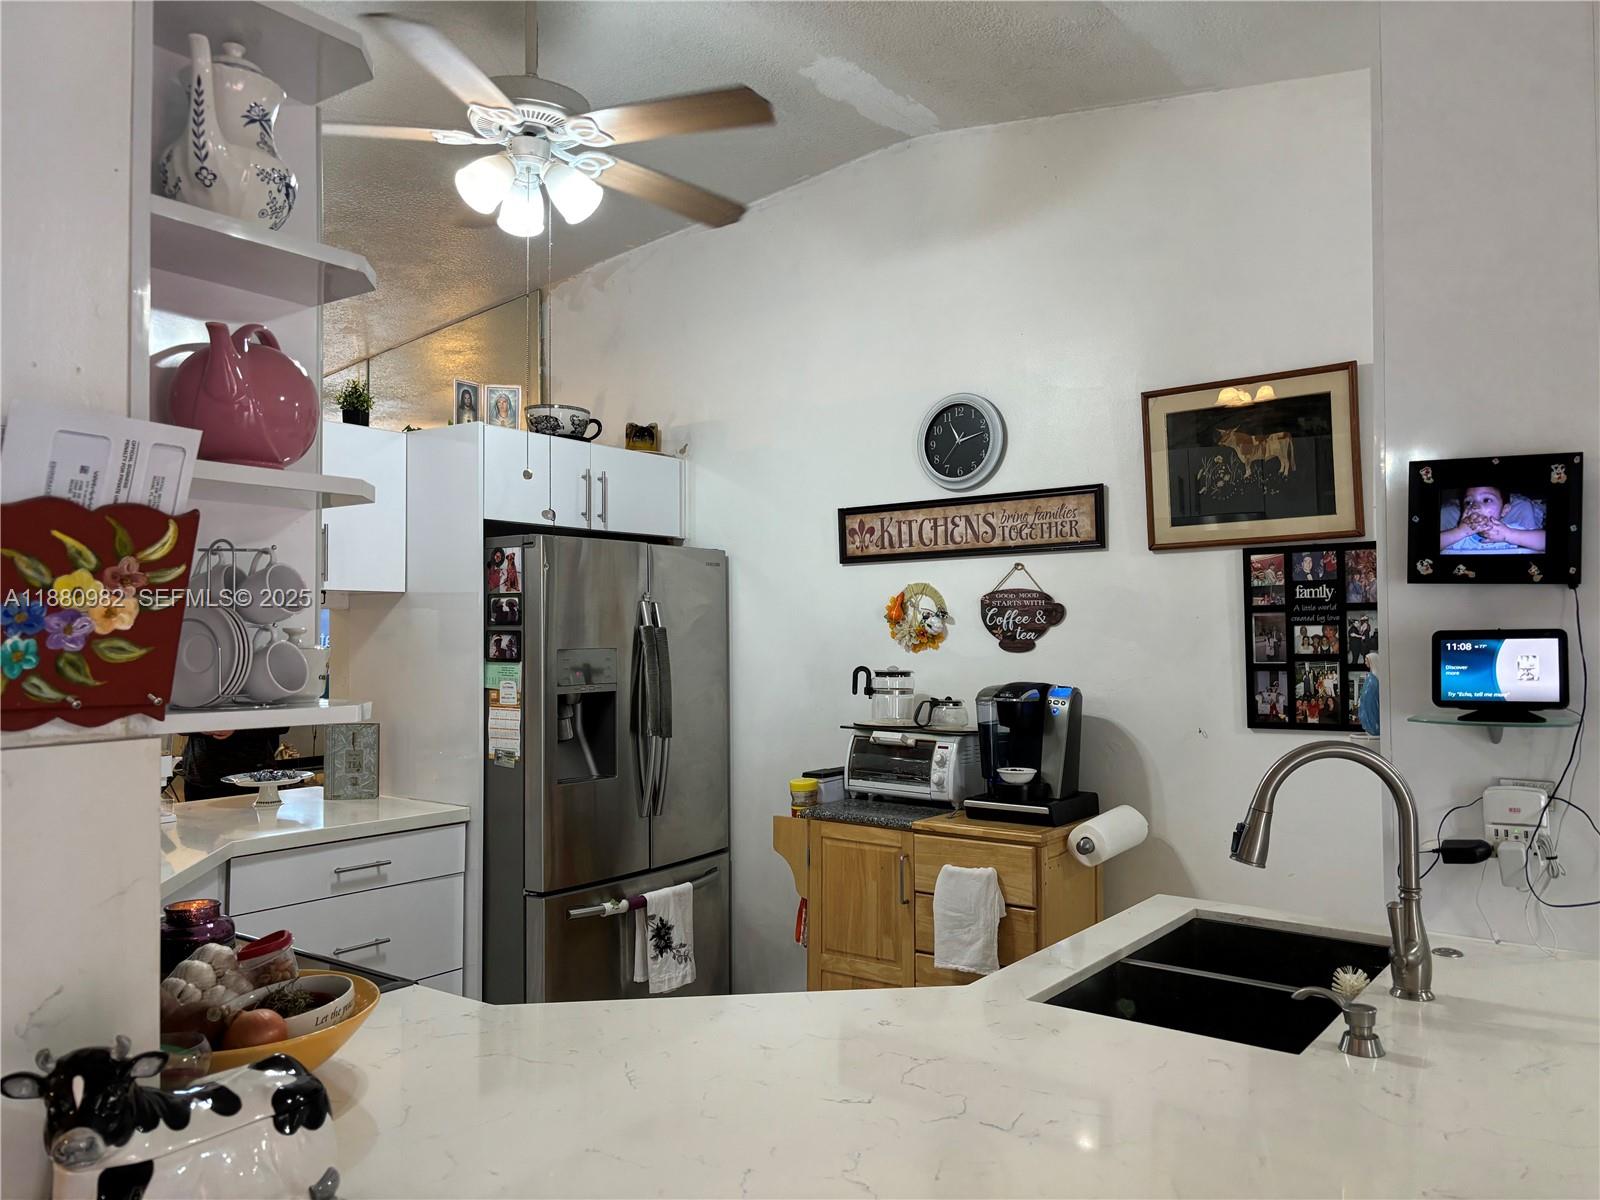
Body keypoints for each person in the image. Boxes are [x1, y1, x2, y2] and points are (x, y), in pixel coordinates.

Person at [179, 728, 288, 801]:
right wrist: (201, 727)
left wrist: (237, 728)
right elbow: (176, 722)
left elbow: (282, 724)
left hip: (253, 776)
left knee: (259, 829)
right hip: (202, 774)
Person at [1441, 485, 1546, 553]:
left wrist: (1509, 535)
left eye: (1486, 500)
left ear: (1504, 510)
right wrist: (1460, 532)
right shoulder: (1457, 536)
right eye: (1468, 502)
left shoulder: (1511, 531)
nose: (1474, 506)